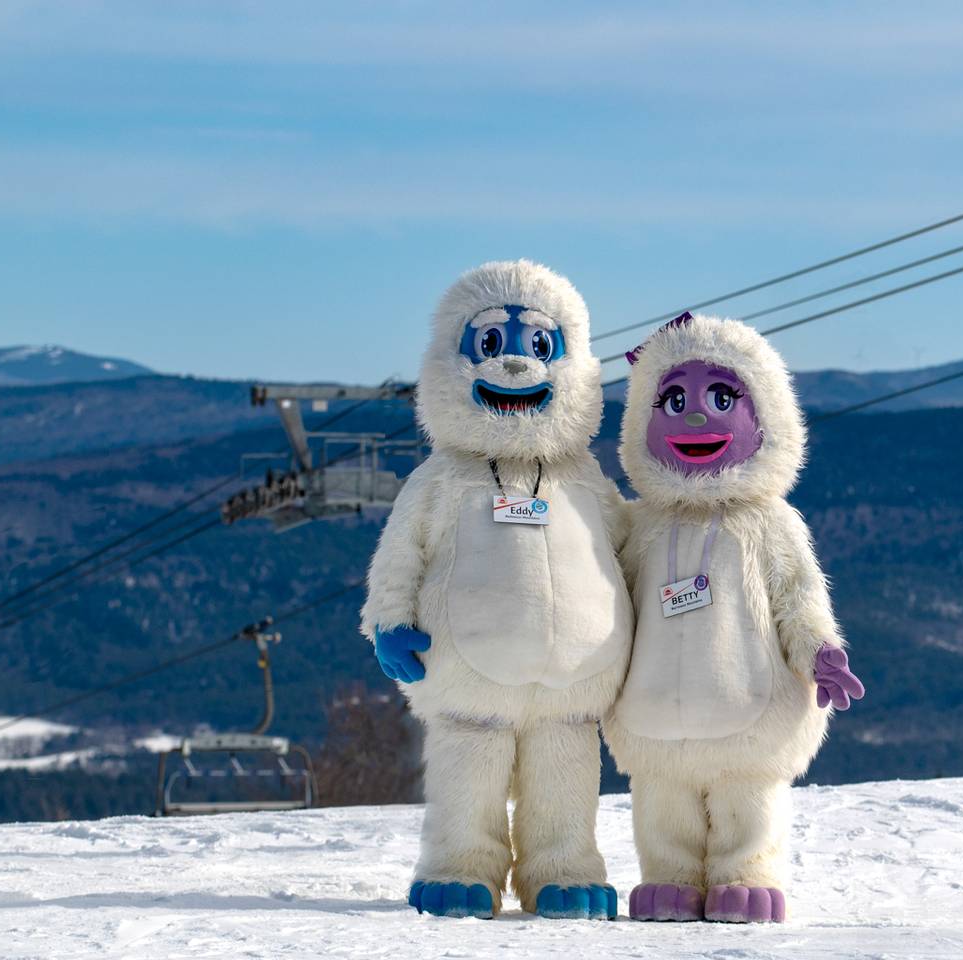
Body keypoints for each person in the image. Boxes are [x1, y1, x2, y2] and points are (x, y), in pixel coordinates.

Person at [361, 260, 633, 920]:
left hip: (573, 681)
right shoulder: (442, 476)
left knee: (565, 778)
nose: (515, 365)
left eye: (539, 346)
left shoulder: (583, 474)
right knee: (467, 772)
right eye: (489, 345)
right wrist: (389, 620)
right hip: (464, 674)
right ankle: (461, 866)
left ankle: (562, 868)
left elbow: (628, 541)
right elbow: (398, 555)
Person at [608, 313, 864, 924]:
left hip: (749, 700)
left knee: (747, 797)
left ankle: (746, 875)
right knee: (660, 800)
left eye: (722, 397)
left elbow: (799, 596)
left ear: (767, 415)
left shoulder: (770, 522)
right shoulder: (640, 526)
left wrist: (819, 651)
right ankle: (667, 876)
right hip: (652, 708)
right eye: (672, 399)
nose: (696, 417)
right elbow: (605, 592)